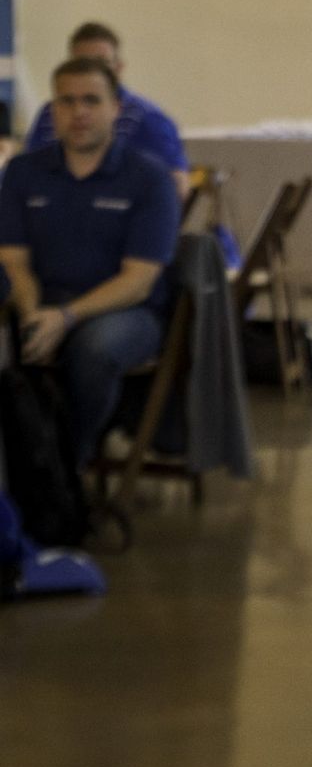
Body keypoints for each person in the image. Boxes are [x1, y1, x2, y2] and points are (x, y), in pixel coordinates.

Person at [0, 57, 181, 466]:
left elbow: (138, 280)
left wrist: (64, 318)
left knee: (94, 350)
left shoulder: (149, 180)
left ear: (115, 108)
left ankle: (67, 468)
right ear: (53, 110)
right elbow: (13, 260)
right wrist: (33, 316)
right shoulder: (23, 173)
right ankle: (19, 471)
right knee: (15, 342)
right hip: (41, 302)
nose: (79, 112)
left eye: (91, 101)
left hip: (126, 311)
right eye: (66, 101)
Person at [26, 22, 191, 197]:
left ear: (119, 67)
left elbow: (176, 187)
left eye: (102, 63)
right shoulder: (49, 113)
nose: (79, 112)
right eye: (83, 63)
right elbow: (28, 174)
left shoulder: (149, 119)